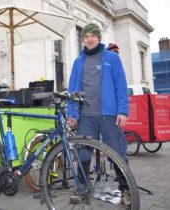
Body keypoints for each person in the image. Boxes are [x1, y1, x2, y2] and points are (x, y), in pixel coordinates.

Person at [67, 23, 130, 208]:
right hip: (86, 116)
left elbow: (121, 85)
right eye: (86, 36)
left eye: (93, 35)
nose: (90, 39)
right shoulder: (78, 62)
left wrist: (122, 111)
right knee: (83, 153)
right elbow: (72, 90)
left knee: (117, 153)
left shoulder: (111, 57)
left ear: (99, 38)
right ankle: (83, 189)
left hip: (109, 116)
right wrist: (72, 114)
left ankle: (126, 190)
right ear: (83, 39)